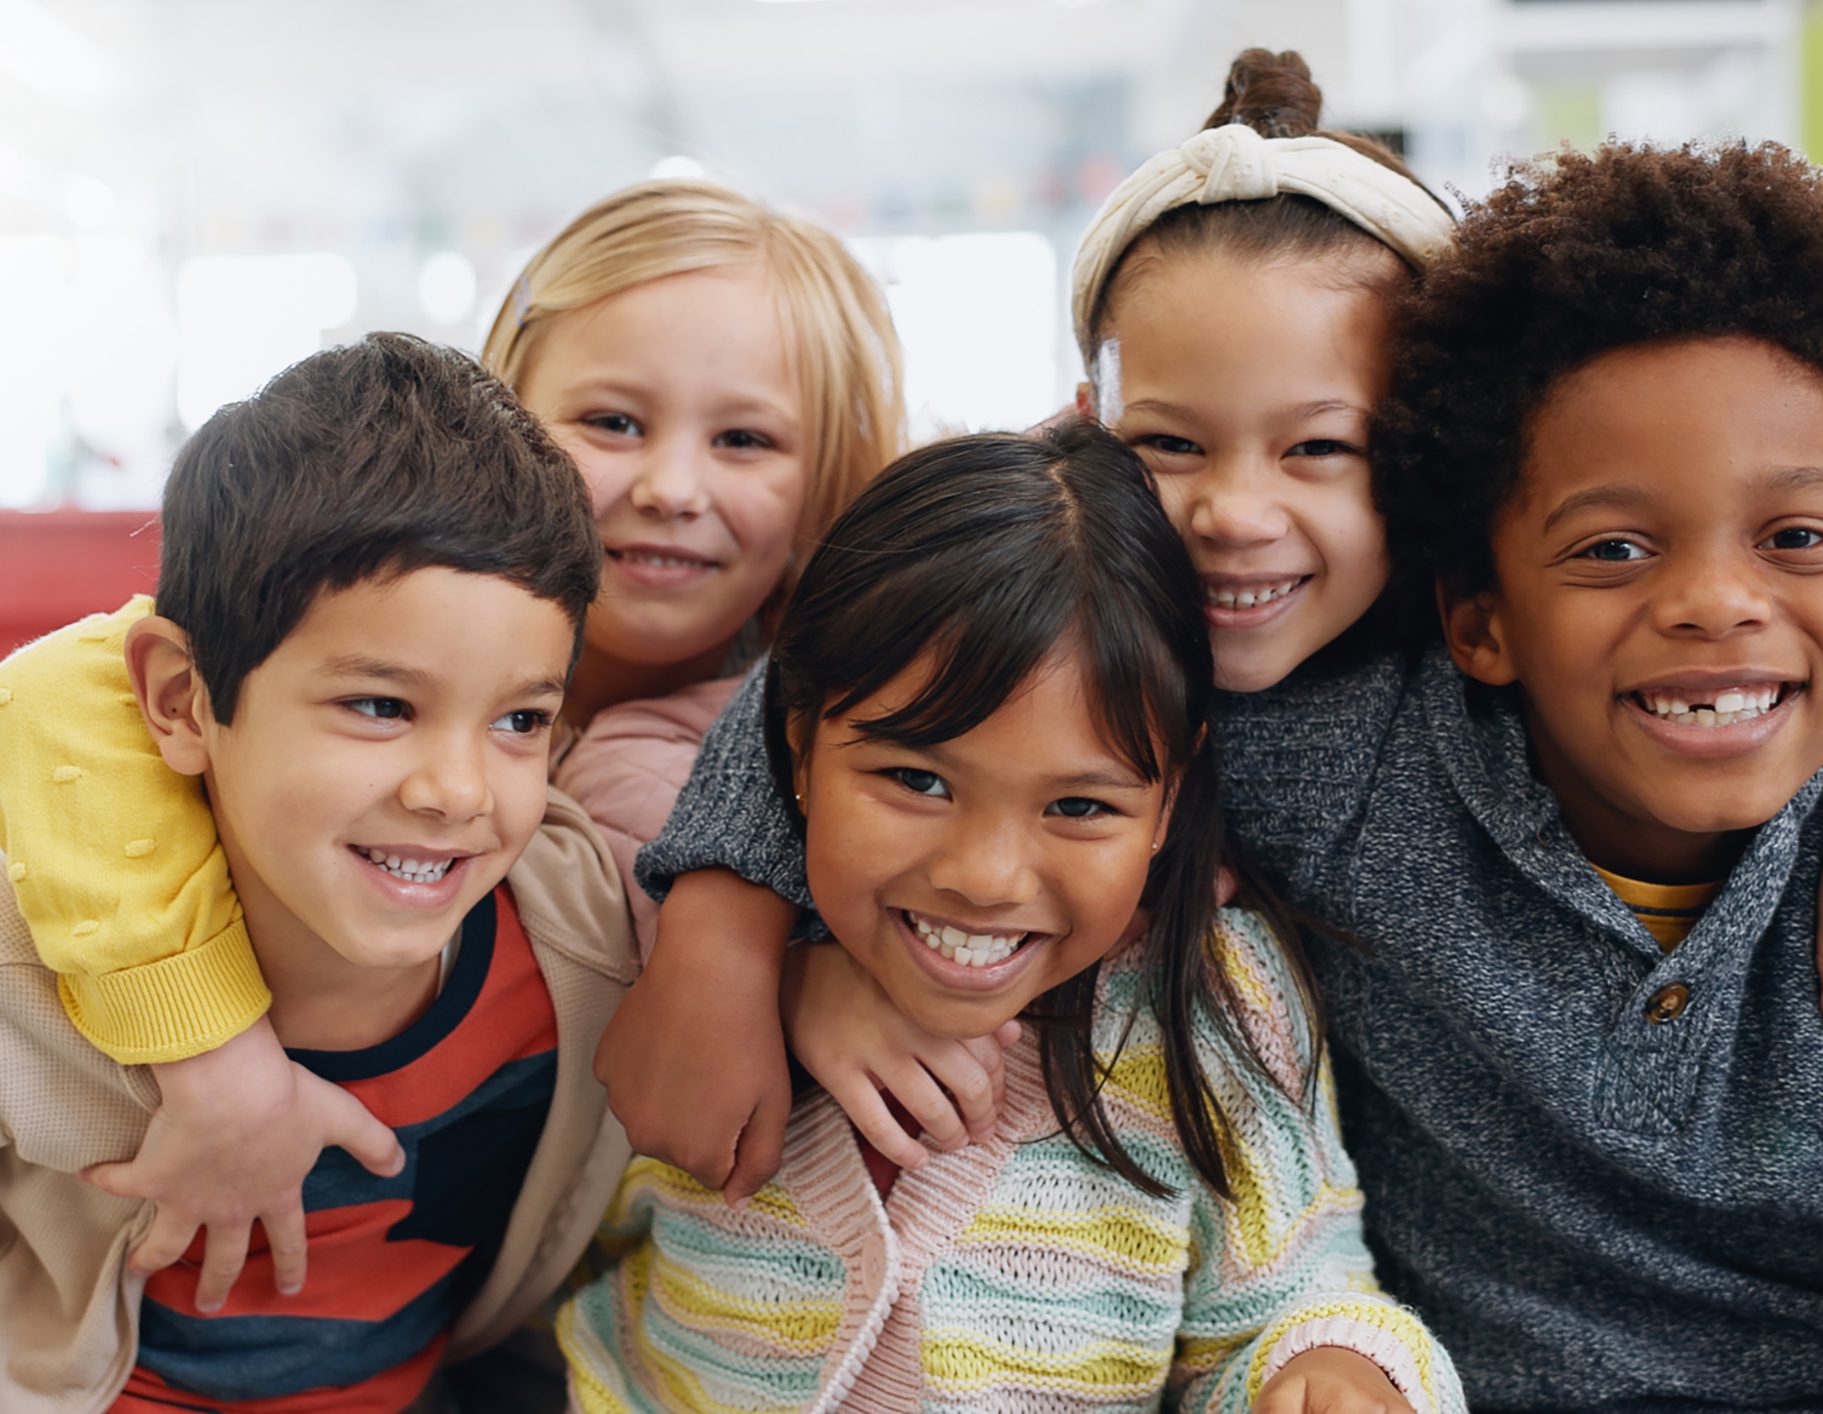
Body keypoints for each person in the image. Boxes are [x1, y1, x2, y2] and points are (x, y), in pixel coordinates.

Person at [603, 48, 1823, 1206]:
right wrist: (733, 940)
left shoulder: (1516, 663)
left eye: (1320, 449)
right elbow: (861, 672)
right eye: (1168, 447)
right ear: (1083, 430)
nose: (1232, 515)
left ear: (1436, 470)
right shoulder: (1146, 656)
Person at [0, 177, 908, 1313]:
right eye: (615, 423)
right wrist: (211, 1053)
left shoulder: (800, 732)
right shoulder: (350, 605)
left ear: (826, 477)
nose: (673, 488)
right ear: (510, 420)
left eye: (745, 439)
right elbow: (60, 693)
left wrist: (781, 970)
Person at [1310, 138, 1823, 1406]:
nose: (1714, 602)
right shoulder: (1350, 785)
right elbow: (1060, 646)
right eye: (1614, 547)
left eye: (1794, 537)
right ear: (1479, 621)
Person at [557, 422, 1466, 1414]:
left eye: (1080, 805)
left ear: (1167, 802)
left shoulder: (1217, 1006)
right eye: (915, 778)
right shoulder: (697, 967)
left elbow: (1292, 1299)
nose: (985, 878)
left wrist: (1328, 1371)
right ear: (798, 744)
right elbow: (570, 1248)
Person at [0, 333, 636, 1410]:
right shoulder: (28, 978)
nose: (457, 790)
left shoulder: (589, 938)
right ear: (179, 701)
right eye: (380, 706)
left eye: (521, 719)